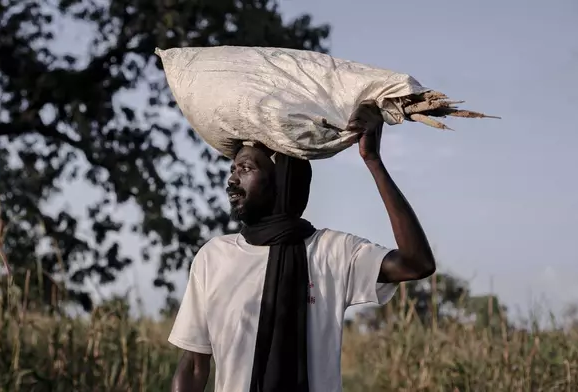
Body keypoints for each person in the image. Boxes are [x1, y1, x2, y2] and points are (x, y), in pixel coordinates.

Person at [168, 101, 436, 392]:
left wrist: (373, 160)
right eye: (233, 168)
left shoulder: (330, 252)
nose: (232, 179)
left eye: (246, 168)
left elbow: (416, 262)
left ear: (281, 180)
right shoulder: (214, 257)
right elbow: (194, 365)